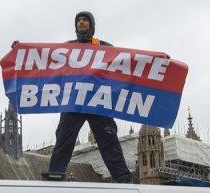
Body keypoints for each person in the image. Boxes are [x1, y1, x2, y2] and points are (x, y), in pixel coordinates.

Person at [12, 11, 133, 183]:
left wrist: (158, 62)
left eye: (85, 20)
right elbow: (44, 58)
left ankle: (123, 178)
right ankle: (55, 174)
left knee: (108, 140)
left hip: (97, 101)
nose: (81, 22)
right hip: (74, 102)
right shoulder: (67, 48)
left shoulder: (104, 47)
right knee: (63, 139)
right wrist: (22, 50)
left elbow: (127, 63)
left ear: (91, 25)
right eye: (79, 20)